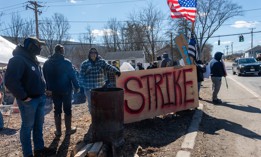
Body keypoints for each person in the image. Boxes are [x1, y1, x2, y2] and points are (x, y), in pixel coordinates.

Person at [4, 37, 47, 157]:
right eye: (39, 45)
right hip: (29, 101)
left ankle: (39, 149)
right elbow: (11, 81)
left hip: (39, 98)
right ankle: (28, 154)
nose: (41, 48)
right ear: (31, 46)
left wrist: (44, 90)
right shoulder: (18, 59)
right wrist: (23, 97)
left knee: (38, 126)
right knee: (27, 128)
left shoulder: (33, 59)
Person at [43, 44, 80, 137]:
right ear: (61, 51)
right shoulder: (66, 62)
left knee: (57, 110)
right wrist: (77, 86)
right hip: (66, 90)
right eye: (63, 50)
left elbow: (45, 77)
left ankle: (58, 131)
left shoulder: (47, 63)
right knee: (67, 109)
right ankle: (68, 130)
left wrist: (48, 88)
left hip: (54, 91)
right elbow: (72, 76)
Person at [79, 48, 121, 112]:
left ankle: (100, 117)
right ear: (89, 54)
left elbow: (108, 67)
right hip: (88, 88)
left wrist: (116, 71)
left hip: (100, 87)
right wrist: (81, 87)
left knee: (100, 103)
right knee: (91, 104)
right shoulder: (84, 64)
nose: (93, 54)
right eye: (91, 53)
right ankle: (93, 117)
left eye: (95, 53)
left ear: (97, 54)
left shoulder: (101, 62)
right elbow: (81, 76)